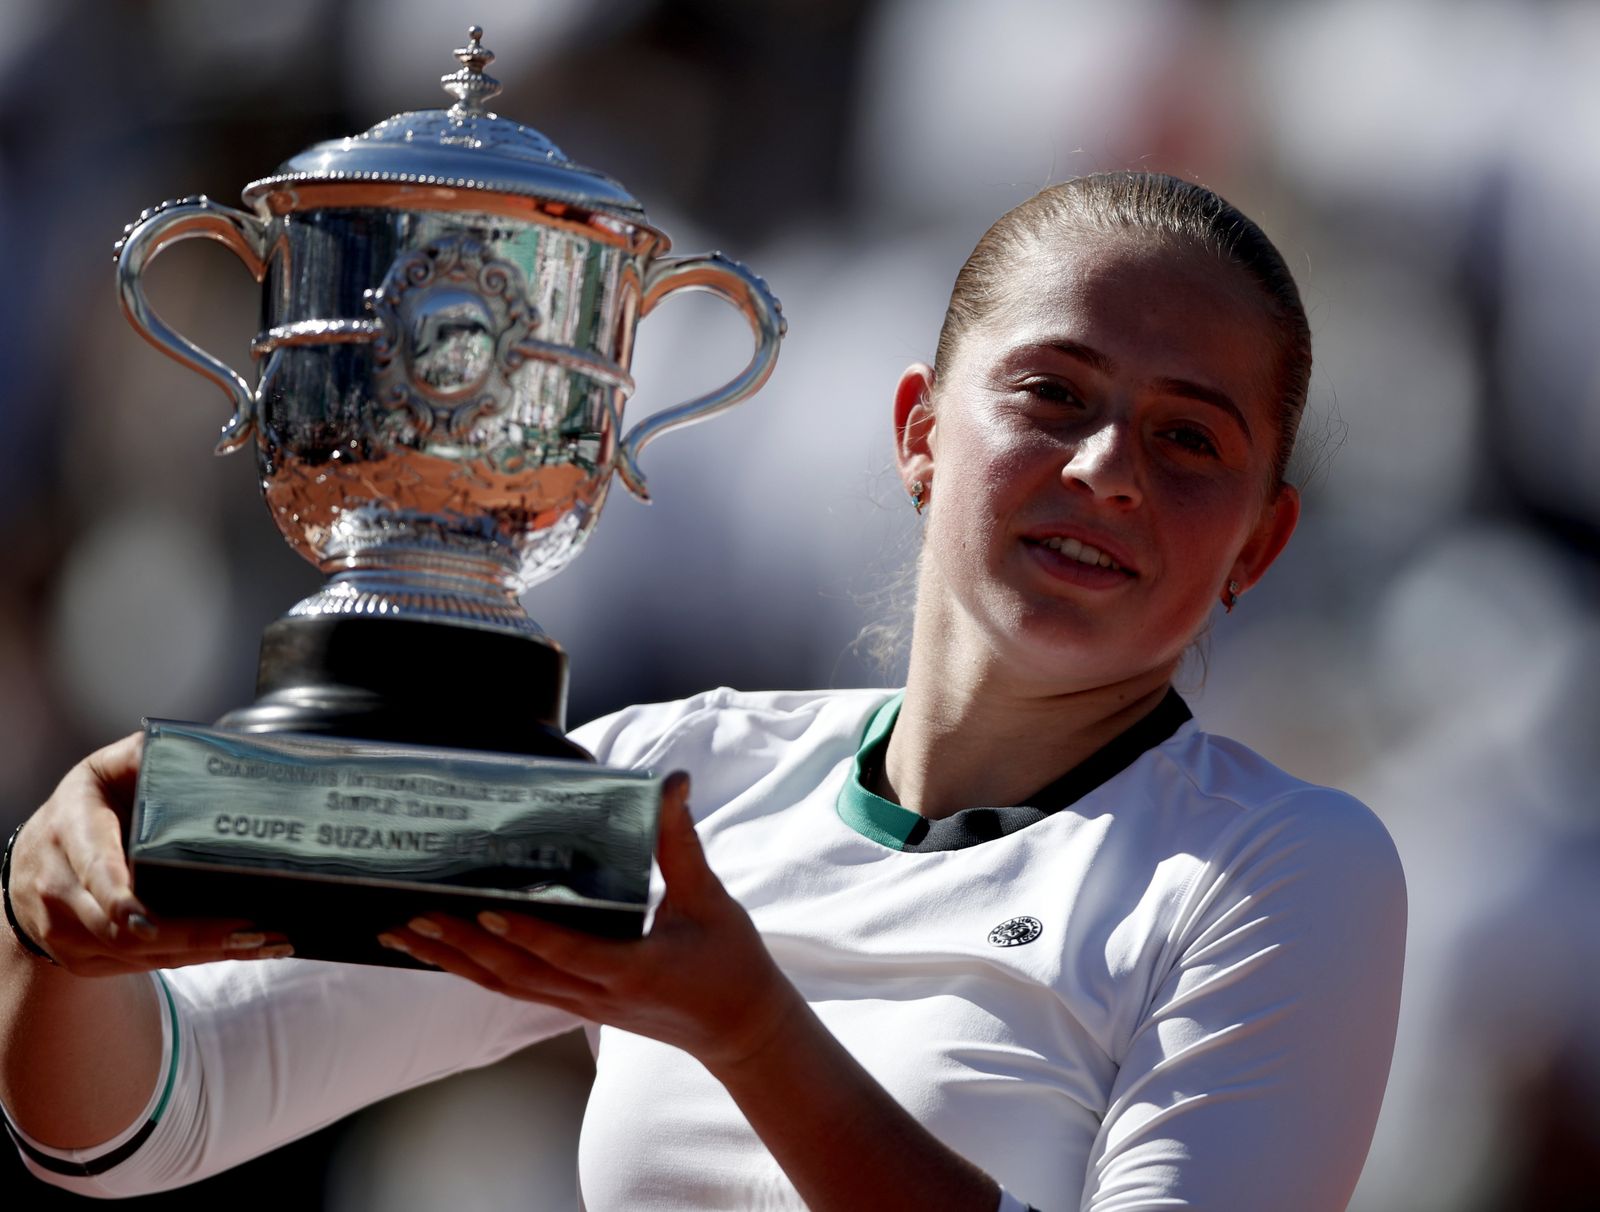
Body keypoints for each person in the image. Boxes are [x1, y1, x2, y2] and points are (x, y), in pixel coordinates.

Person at [0, 172, 1405, 1211]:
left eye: (1189, 439)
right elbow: (139, 1116)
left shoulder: (1279, 871)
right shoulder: (680, 779)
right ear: (920, 433)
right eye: (1053, 393)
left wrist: (749, 1028)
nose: (1108, 469)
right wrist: (52, 927)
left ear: (1259, 547)